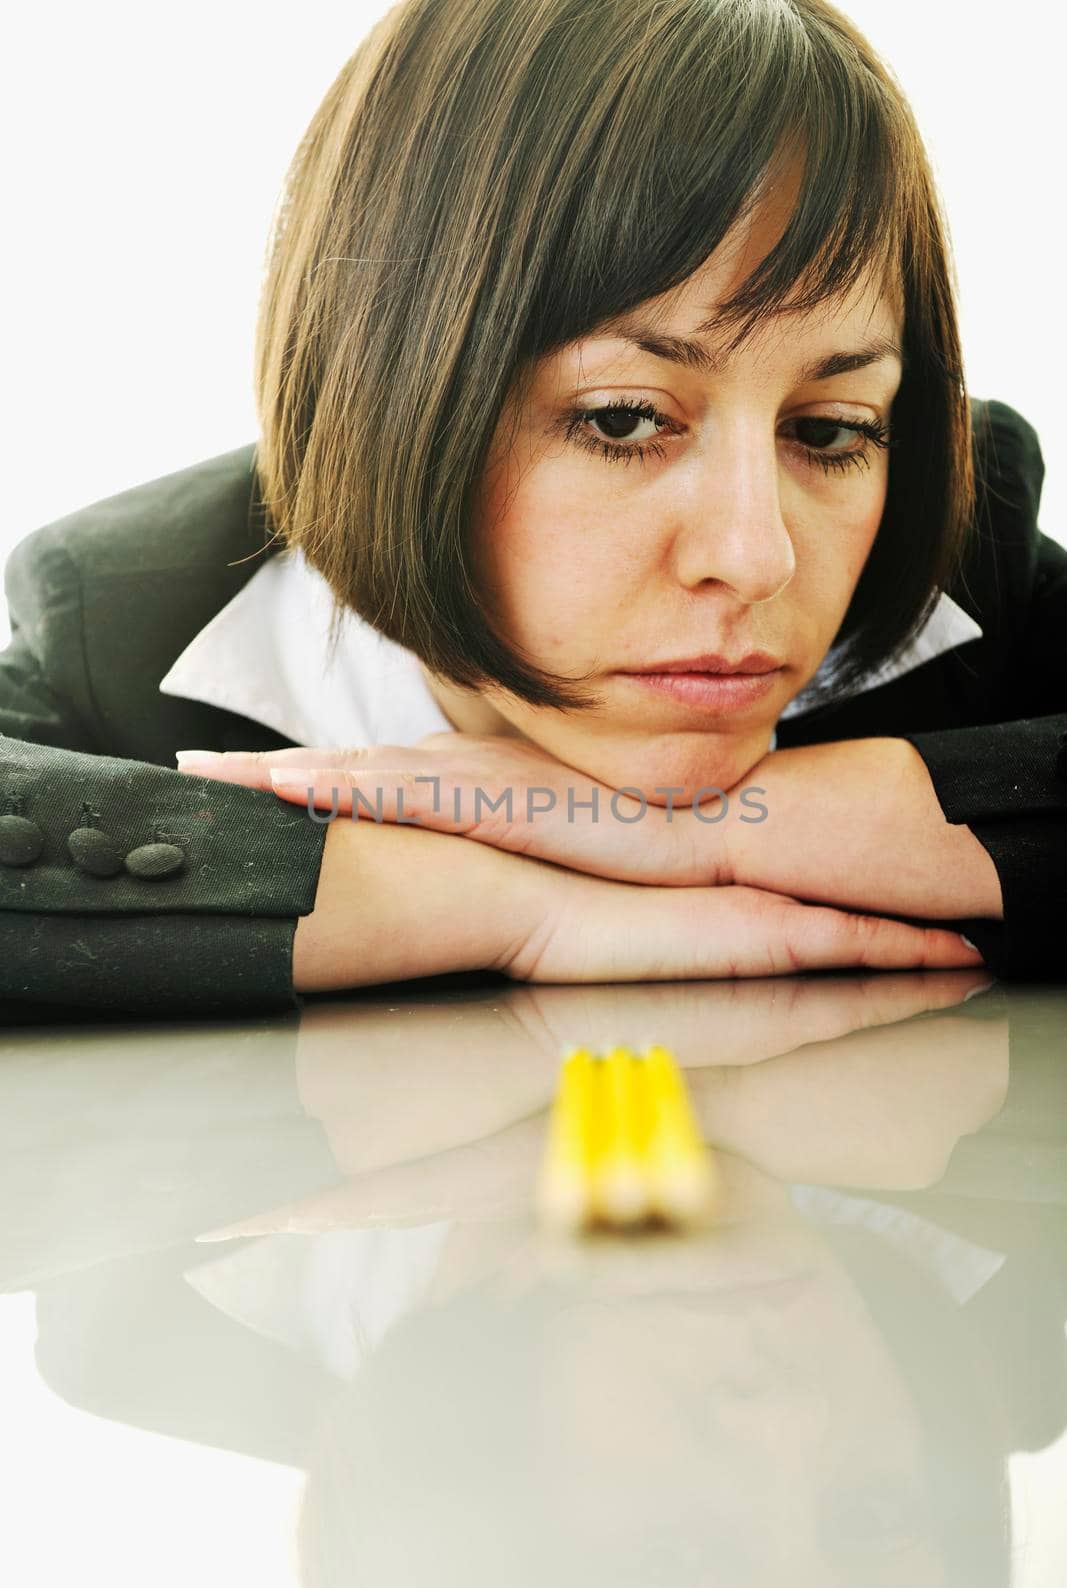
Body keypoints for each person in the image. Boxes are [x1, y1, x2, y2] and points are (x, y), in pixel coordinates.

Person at [2, 0, 1064, 1018]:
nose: (753, 555)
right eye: (618, 420)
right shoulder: (126, 619)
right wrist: (492, 899)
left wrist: (733, 834)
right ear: (390, 390)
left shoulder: (968, 561)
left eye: (829, 431)